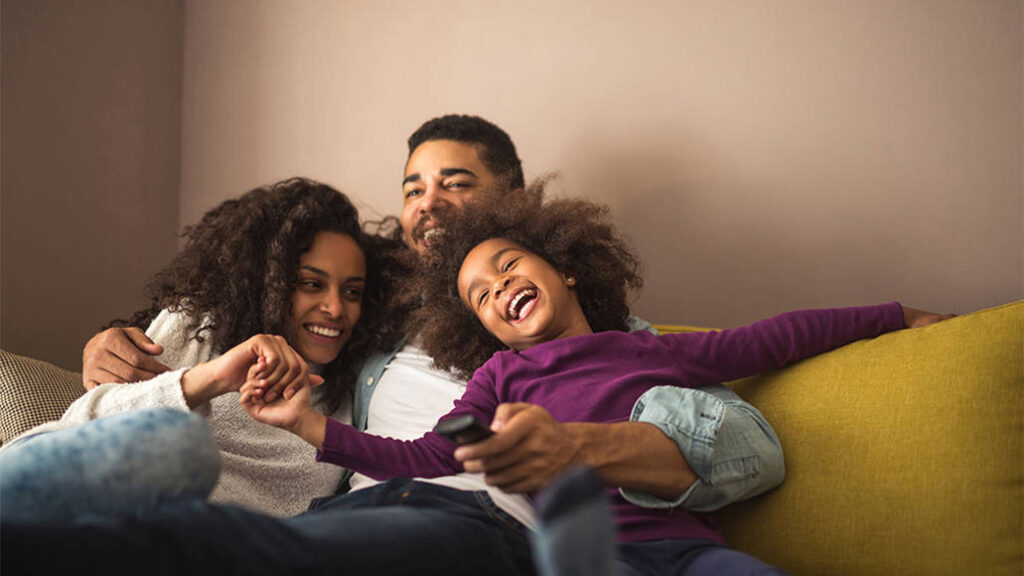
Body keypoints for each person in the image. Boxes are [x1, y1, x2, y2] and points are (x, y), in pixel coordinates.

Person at [9, 116, 787, 575]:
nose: (427, 203)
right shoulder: (361, 320)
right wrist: (117, 344)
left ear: (513, 206)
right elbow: (244, 317)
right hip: (392, 514)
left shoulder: (591, 333)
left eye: (455, 182)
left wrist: (575, 446)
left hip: (514, 527)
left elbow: (749, 450)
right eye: (413, 187)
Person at [236, 183, 952, 575]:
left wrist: (893, 314)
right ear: (483, 329)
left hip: (692, 551)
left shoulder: (646, 350)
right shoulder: (501, 377)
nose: (498, 289)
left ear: (565, 266)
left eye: (508, 266)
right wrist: (310, 425)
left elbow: (778, 337)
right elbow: (425, 458)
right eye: (481, 295)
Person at [0, 177, 397, 520]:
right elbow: (86, 421)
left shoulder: (346, 399)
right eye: (312, 284)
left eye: (352, 292)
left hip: (169, 541)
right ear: (271, 282)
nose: (335, 308)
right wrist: (214, 377)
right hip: (57, 478)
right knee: (181, 443)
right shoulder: (201, 325)